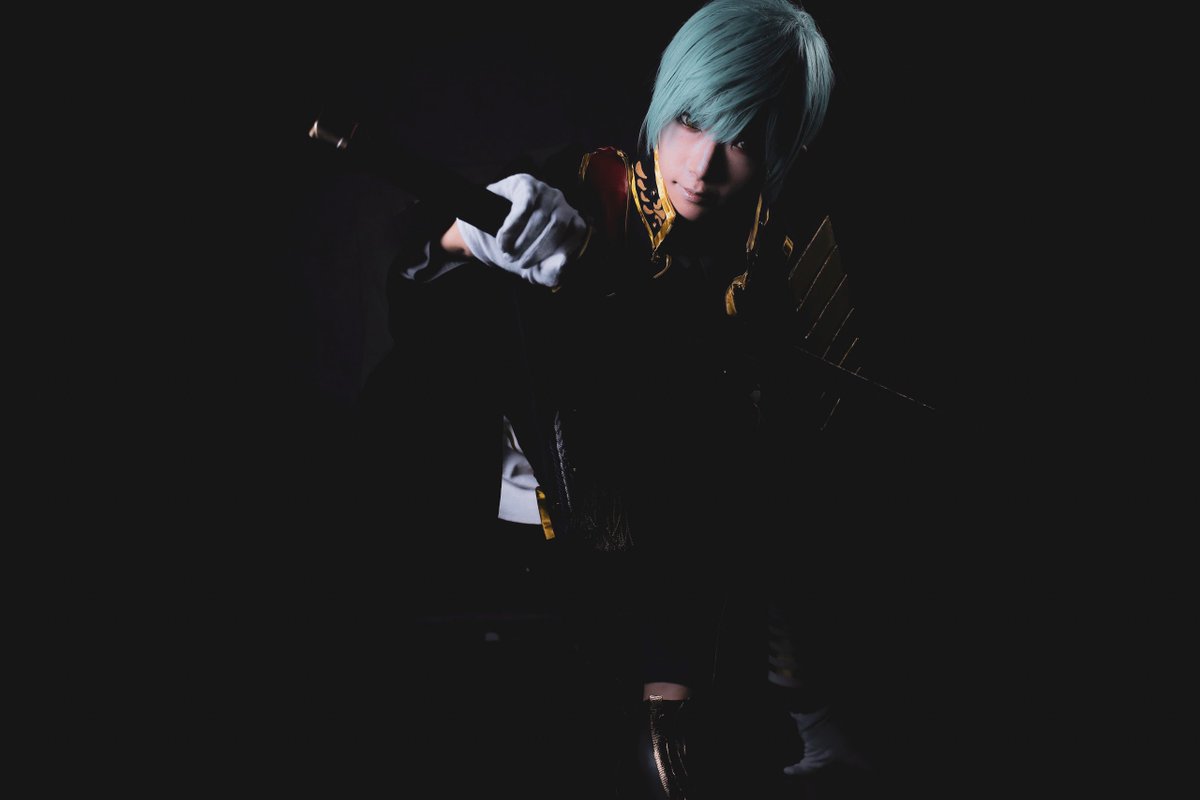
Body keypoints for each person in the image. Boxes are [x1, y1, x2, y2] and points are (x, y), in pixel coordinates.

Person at [356, 1, 875, 796]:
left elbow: (794, 473)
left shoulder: (785, 260)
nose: (702, 164)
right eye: (691, 121)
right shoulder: (580, 188)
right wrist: (464, 239)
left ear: (787, 147)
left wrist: (806, 699)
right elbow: (418, 317)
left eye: (742, 139)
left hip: (684, 577)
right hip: (507, 534)